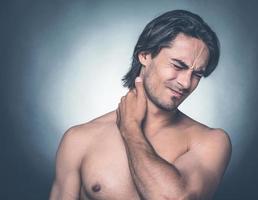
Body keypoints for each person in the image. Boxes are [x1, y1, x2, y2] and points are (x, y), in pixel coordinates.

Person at [49, 9, 231, 200]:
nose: (186, 83)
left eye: (197, 75)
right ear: (145, 55)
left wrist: (131, 129)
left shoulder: (210, 141)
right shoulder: (79, 139)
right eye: (178, 65)